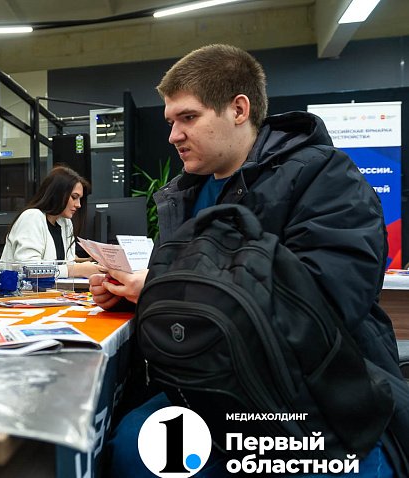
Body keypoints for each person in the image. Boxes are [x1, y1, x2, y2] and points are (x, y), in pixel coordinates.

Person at [91, 44, 408, 477]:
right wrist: (137, 296)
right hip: (210, 391)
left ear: (238, 109)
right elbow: (197, 302)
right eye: (170, 122)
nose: (173, 136)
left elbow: (322, 302)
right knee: (129, 447)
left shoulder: (325, 177)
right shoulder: (185, 197)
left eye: (188, 117)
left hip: (311, 397)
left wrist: (163, 285)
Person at [0, 166, 103, 278]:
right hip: (20, 293)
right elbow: (27, 269)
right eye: (74, 197)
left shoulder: (66, 223)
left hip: (53, 292)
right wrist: (75, 270)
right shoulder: (32, 217)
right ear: (57, 194)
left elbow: (67, 266)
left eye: (80, 199)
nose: (78, 204)